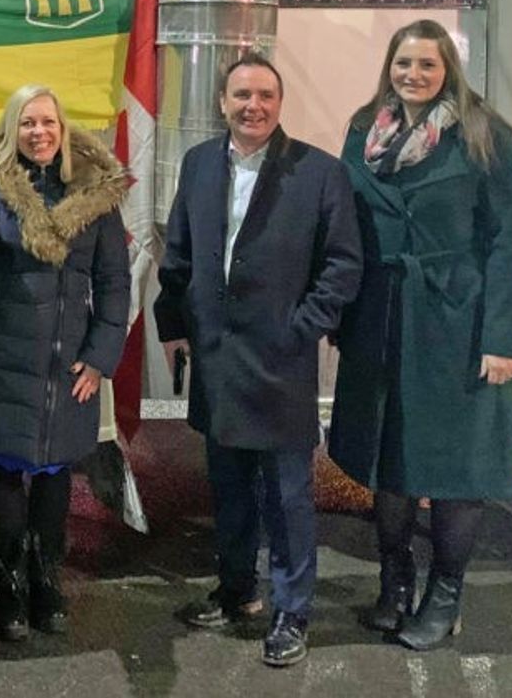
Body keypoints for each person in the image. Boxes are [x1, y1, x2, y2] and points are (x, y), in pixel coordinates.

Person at [154, 52, 362, 668]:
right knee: (229, 489)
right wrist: (173, 323)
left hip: (280, 362)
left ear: (279, 103)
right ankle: (236, 590)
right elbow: (179, 251)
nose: (254, 106)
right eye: (242, 95)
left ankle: (292, 611)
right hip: (217, 359)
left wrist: (303, 328)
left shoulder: (319, 172)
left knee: (288, 497)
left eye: (265, 95)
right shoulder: (198, 164)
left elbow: (343, 264)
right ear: (223, 102)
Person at [329, 20, 512, 650]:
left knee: (453, 465)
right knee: (389, 459)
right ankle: (394, 586)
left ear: (448, 71)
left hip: (457, 321)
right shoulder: (365, 129)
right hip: (380, 318)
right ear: (389, 66)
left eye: (427, 65)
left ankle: (445, 597)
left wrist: (503, 339)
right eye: (403, 63)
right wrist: (339, 313)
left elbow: (507, 241)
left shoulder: (485, 133)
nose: (412, 74)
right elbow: (345, 225)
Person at [0, 85, 129, 642]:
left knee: (54, 478)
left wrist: (99, 358)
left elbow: (114, 283)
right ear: (11, 131)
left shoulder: (94, 197)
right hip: (1, 361)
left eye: (48, 122)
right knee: (2, 475)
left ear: (63, 129)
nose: (39, 132)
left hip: (67, 369)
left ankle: (46, 582)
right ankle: (9, 587)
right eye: (27, 123)